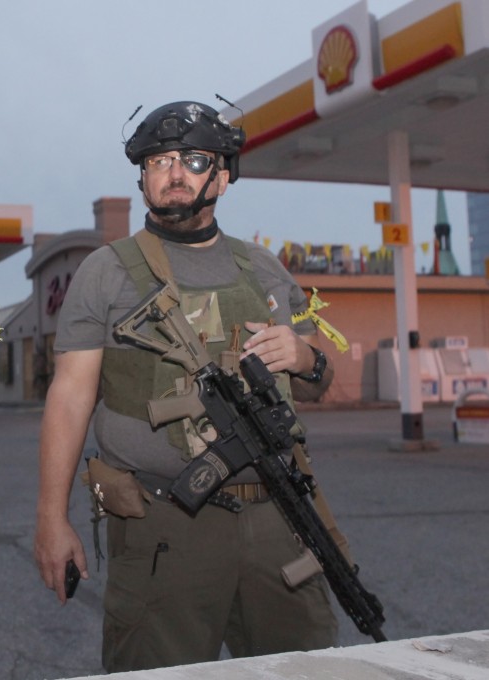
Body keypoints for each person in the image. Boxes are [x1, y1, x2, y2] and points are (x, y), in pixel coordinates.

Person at [32, 100, 338, 671]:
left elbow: (319, 383)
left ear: (222, 176)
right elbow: (70, 396)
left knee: (311, 666)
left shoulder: (264, 269)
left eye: (194, 160)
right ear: (143, 177)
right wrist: (52, 516)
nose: (174, 172)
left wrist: (303, 356)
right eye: (159, 160)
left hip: (277, 519)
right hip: (164, 526)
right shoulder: (105, 270)